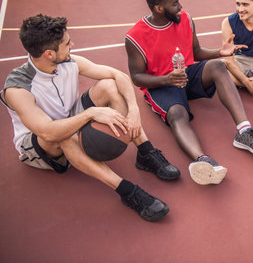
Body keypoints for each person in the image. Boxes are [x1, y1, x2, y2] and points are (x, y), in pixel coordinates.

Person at [0, 14, 180, 222]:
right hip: (40, 143)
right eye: (67, 44)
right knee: (63, 137)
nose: (72, 45)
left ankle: (146, 153)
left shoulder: (69, 62)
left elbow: (118, 76)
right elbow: (47, 131)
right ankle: (127, 191)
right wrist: (90, 113)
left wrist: (133, 111)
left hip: (69, 118)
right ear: (49, 53)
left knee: (109, 85)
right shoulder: (18, 88)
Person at [125, 0, 253, 186]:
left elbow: (195, 52)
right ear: (158, 8)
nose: (180, 6)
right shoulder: (135, 36)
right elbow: (136, 77)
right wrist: (167, 79)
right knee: (178, 114)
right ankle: (203, 160)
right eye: (175, 3)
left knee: (218, 66)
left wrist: (219, 52)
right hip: (161, 84)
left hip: (187, 75)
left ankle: (244, 131)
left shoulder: (185, 19)